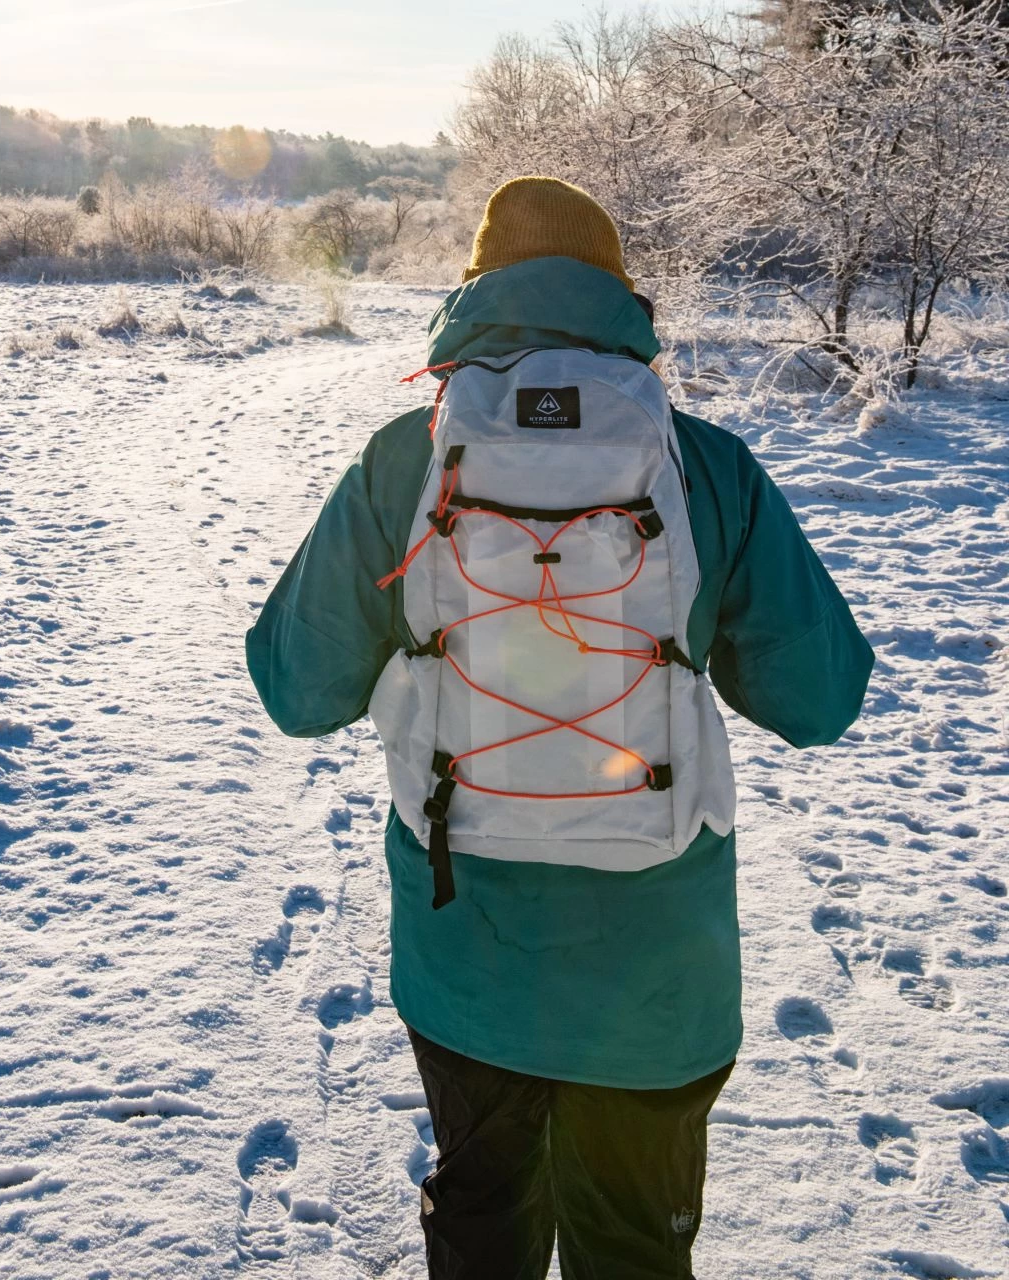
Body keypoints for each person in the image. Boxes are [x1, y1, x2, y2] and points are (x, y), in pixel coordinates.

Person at [246, 177, 874, 1280]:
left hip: (466, 960)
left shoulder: (404, 461)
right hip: (657, 978)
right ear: (618, 298)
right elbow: (817, 700)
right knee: (632, 1248)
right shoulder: (706, 465)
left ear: (474, 291)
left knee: (481, 1226)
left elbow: (297, 691)